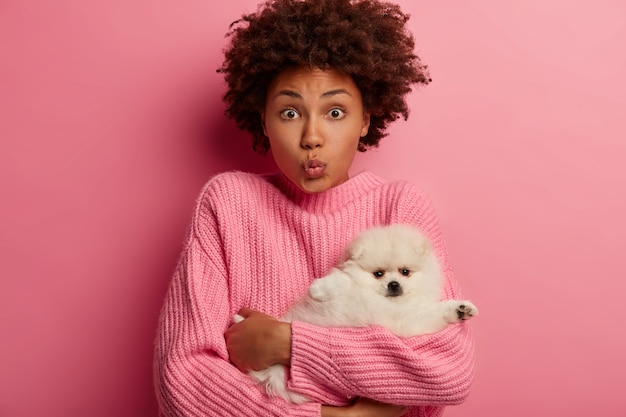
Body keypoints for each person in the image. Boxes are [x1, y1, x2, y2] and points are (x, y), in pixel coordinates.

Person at [153, 0, 475, 416]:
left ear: (365, 119)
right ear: (264, 121)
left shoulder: (399, 207)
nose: (312, 136)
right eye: (290, 112)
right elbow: (184, 379)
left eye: (335, 111)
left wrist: (285, 342)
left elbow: (445, 371)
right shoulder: (227, 203)